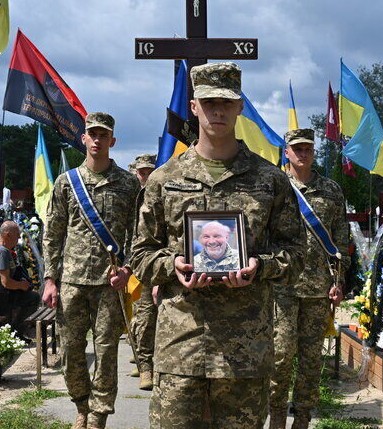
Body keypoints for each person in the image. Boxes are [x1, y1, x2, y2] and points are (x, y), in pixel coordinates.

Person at [131, 62, 306, 429]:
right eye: (208, 102)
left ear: (240, 106)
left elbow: (296, 254)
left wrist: (261, 267)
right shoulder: (165, 179)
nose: (217, 111)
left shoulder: (270, 180)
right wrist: (173, 265)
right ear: (193, 107)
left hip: (244, 349)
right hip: (181, 344)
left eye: (226, 103)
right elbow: (141, 253)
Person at [42, 112, 140, 429]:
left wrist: (128, 270)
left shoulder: (127, 184)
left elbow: (139, 234)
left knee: (107, 349)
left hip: (109, 283)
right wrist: (49, 279)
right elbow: (53, 233)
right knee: (71, 350)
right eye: (92, 134)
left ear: (112, 141)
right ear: (83, 138)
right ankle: (81, 406)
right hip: (71, 280)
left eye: (103, 135)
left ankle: (98, 413)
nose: (97, 140)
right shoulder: (67, 183)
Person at [269, 128, 349, 429]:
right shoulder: (274, 186)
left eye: (308, 149)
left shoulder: (330, 190)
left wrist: (339, 281)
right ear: (286, 152)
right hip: (281, 286)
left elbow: (341, 238)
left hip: (318, 288)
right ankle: (276, 417)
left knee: (311, 360)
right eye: (297, 149)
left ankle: (302, 418)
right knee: (279, 357)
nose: (303, 154)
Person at [128, 153, 159, 390]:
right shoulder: (131, 195)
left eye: (149, 171)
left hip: (159, 261)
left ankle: (158, 364)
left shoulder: (162, 190)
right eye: (142, 172)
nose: (145, 175)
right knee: (143, 316)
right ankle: (145, 367)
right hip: (136, 263)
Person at [0, 221, 39, 339]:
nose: (19, 237)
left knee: (30, 296)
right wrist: (22, 285)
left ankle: (15, 332)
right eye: (17, 234)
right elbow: (6, 282)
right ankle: (16, 332)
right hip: (0, 297)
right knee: (33, 298)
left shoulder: (0, 250)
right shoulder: (2, 252)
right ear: (8, 235)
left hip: (1, 294)